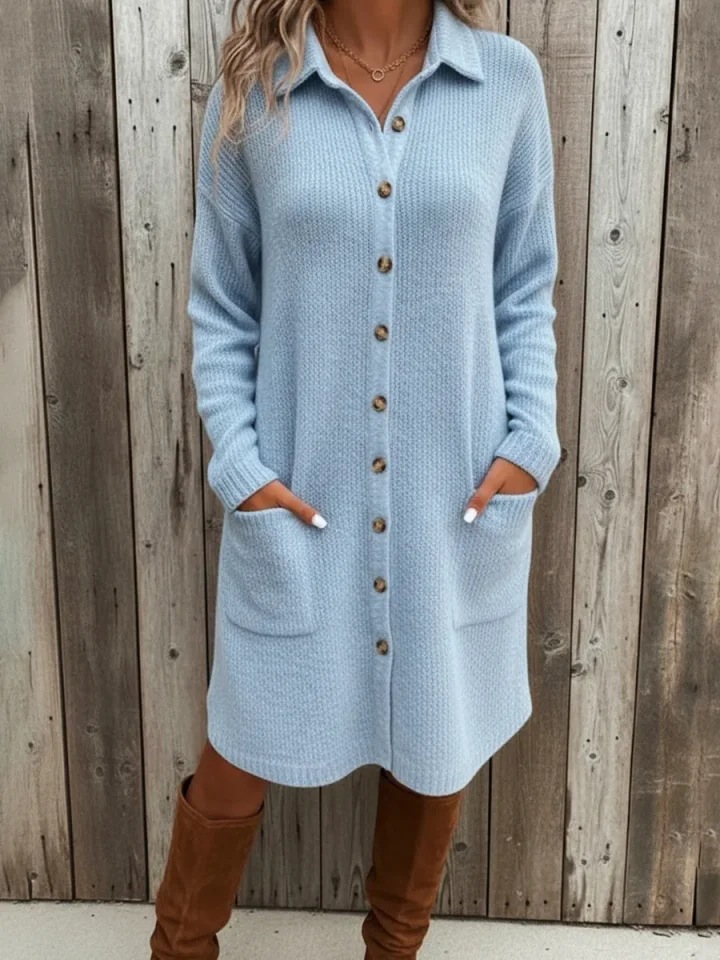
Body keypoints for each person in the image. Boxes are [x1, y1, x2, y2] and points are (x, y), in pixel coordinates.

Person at [149, 0, 561, 957]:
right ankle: (179, 947)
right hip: (300, 501)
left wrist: (529, 442)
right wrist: (242, 467)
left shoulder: (505, 81)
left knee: (435, 731)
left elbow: (523, 284)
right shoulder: (257, 91)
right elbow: (222, 305)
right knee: (242, 738)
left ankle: (393, 948)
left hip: (453, 499)